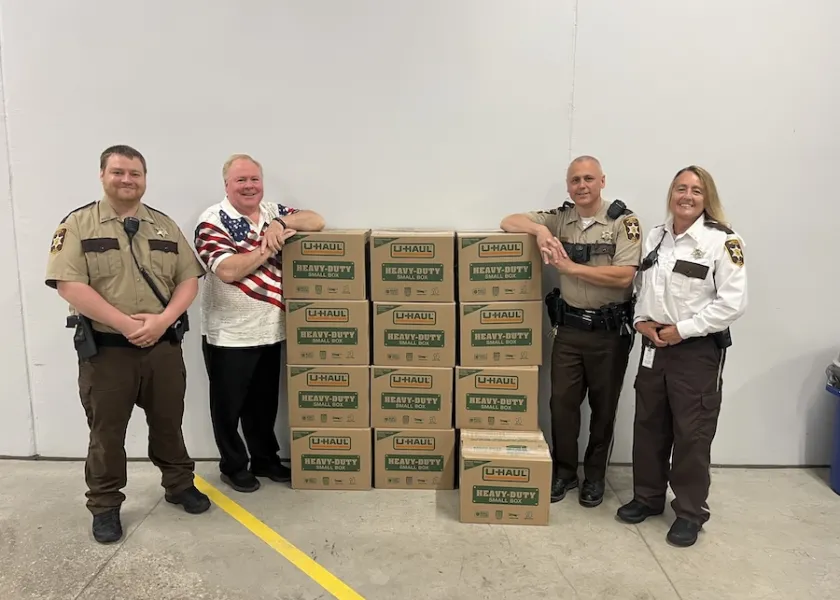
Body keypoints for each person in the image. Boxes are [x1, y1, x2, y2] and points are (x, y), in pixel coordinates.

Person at [44, 144, 211, 544]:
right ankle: (104, 505)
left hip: (162, 347)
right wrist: (124, 324)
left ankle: (178, 484)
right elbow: (68, 284)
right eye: (118, 172)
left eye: (135, 173)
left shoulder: (163, 226)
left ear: (144, 179)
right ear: (103, 175)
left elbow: (189, 278)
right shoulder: (79, 225)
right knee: (107, 434)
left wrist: (163, 321)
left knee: (169, 422)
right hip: (108, 352)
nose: (127, 180)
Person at [616, 165, 748, 547]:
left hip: (695, 352)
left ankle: (690, 512)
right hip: (654, 345)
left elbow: (733, 303)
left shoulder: (721, 242)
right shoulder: (657, 238)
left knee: (692, 432)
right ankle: (648, 497)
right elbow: (643, 288)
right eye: (680, 188)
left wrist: (683, 330)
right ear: (671, 194)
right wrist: (641, 322)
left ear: (707, 198)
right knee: (649, 424)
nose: (686, 196)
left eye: (696, 190)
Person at [500, 155, 642, 507]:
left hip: (610, 333)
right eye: (575, 180)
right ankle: (565, 473)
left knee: (603, 409)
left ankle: (594, 477)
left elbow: (625, 274)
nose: (582, 185)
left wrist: (570, 268)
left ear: (602, 181)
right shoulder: (561, 218)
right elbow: (507, 221)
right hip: (569, 330)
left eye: (589, 179)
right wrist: (541, 230)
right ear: (568, 186)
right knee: (561, 406)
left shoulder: (625, 222)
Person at [194, 154, 325, 493]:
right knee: (228, 408)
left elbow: (317, 220)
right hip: (230, 334)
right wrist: (268, 248)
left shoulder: (271, 211)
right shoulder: (212, 221)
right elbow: (228, 270)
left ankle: (265, 459)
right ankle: (233, 466)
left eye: (254, 179)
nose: (249, 186)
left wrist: (279, 225)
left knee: (264, 404)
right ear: (227, 185)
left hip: (271, 328)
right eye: (241, 180)